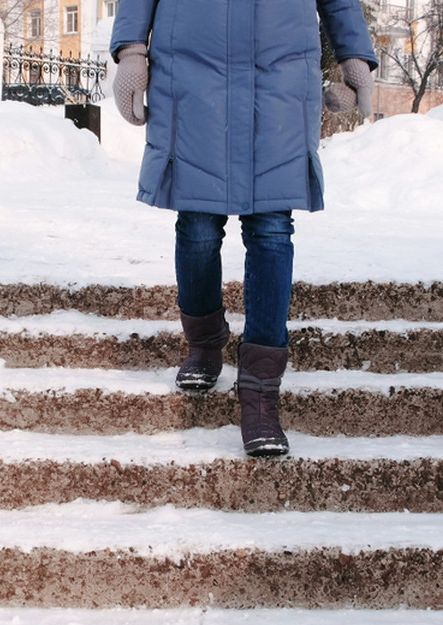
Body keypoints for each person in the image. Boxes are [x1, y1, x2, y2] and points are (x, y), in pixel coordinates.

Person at [109, 0, 377, 457]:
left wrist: (354, 54)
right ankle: (205, 342)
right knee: (197, 225)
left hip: (280, 79)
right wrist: (132, 50)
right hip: (191, 75)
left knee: (272, 229)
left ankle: (260, 394)